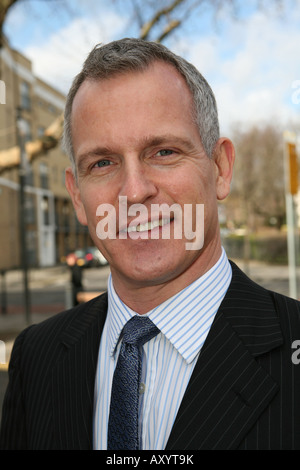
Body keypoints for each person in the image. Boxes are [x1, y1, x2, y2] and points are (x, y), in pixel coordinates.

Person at [1, 38, 299, 451]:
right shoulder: (36, 357)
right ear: (76, 195)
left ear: (220, 169)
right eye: (102, 162)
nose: (134, 191)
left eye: (163, 151)